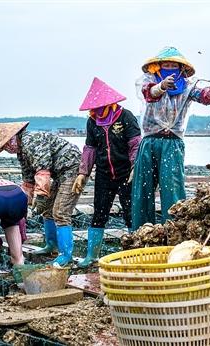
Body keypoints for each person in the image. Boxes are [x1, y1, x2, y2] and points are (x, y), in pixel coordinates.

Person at [132, 46, 210, 231]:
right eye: (165, 64)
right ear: (157, 67)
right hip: (149, 141)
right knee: (143, 190)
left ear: (181, 69)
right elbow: (148, 93)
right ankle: (140, 233)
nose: (170, 68)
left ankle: (174, 233)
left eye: (173, 65)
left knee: (172, 190)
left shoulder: (188, 86)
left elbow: (205, 96)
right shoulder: (148, 81)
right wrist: (161, 86)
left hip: (173, 142)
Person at [0, 122, 81, 267]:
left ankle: (66, 255)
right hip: (58, 174)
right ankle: (51, 246)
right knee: (48, 210)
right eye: (4, 148)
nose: (7, 149)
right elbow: (28, 179)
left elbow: (42, 170)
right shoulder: (22, 152)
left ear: (14, 138)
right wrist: (23, 203)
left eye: (7, 145)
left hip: (72, 168)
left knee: (60, 212)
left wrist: (40, 196)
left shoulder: (31, 140)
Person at [72, 77, 141, 267]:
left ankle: (134, 253)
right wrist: (82, 173)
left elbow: (135, 144)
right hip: (103, 173)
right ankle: (92, 255)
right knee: (99, 212)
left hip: (126, 173)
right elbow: (90, 148)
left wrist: (135, 166)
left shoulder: (125, 116)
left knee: (130, 212)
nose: (96, 111)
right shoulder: (92, 123)